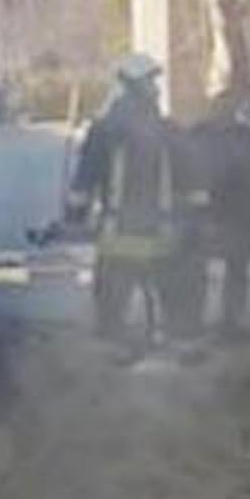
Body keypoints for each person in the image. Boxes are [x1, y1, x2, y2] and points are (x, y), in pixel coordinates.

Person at [67, 53, 181, 352]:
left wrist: (75, 214)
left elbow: (85, 177)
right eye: (151, 81)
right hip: (153, 224)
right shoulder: (161, 127)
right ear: (134, 84)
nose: (156, 88)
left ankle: (115, 333)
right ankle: (153, 333)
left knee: (117, 281)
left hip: (121, 225)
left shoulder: (106, 128)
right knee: (149, 279)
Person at [190, 83, 250, 340]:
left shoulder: (235, 135)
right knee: (222, 267)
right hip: (219, 210)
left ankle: (223, 321)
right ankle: (213, 321)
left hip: (231, 211)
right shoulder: (210, 134)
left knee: (232, 267)